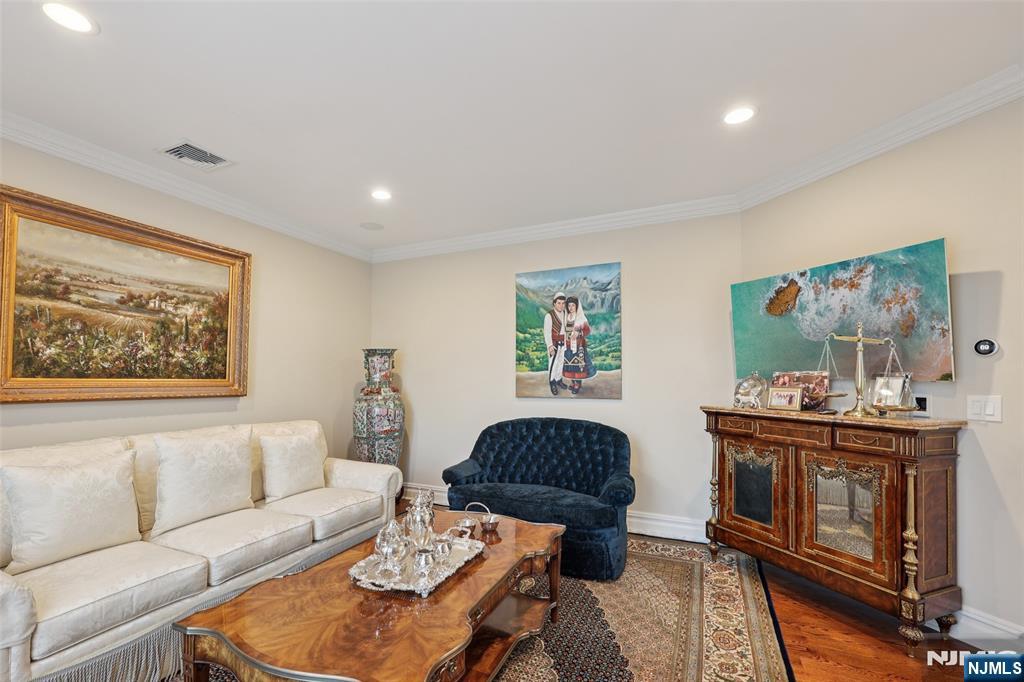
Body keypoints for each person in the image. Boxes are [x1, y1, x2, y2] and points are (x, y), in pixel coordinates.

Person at [561, 296, 595, 395]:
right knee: (569, 364)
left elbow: (587, 331)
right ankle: (573, 382)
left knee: (577, 365)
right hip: (567, 345)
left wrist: (579, 333)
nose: (571, 307)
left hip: (578, 345)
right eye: (569, 306)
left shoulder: (581, 318)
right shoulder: (566, 317)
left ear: (577, 306)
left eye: (573, 305)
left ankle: (578, 384)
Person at [543, 293, 568, 395]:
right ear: (554, 303)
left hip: (563, 343)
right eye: (559, 303)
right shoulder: (549, 315)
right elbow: (547, 332)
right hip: (554, 344)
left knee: (560, 362)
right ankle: (552, 382)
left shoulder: (565, 314)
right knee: (553, 363)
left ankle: (558, 380)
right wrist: (550, 346)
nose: (561, 305)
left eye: (563, 303)